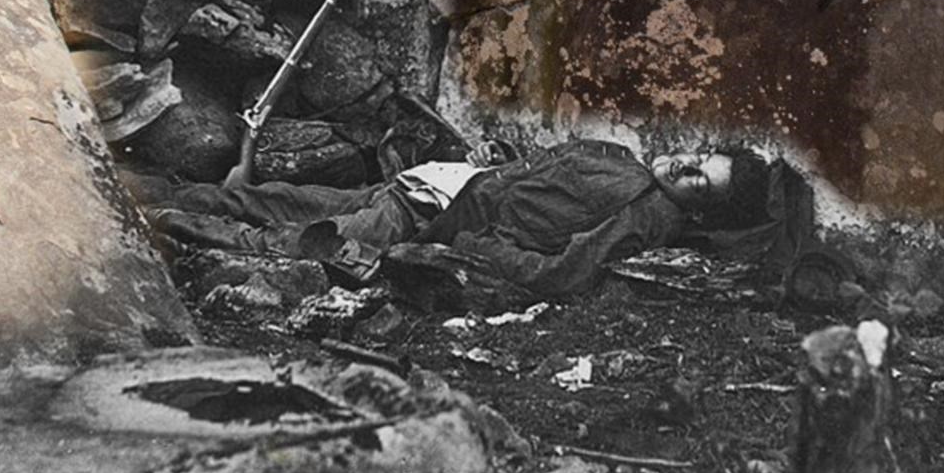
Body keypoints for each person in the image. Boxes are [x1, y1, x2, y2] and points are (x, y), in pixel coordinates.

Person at [151, 138, 773, 298]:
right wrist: (496, 162)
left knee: (284, 239)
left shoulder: (646, 212)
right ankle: (140, 194)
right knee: (275, 195)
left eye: (700, 180)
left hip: (425, 220)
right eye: (702, 157)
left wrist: (482, 246)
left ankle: (150, 221)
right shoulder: (629, 164)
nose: (688, 164)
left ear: (697, 208)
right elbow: (540, 181)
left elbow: (563, 273)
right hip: (430, 184)